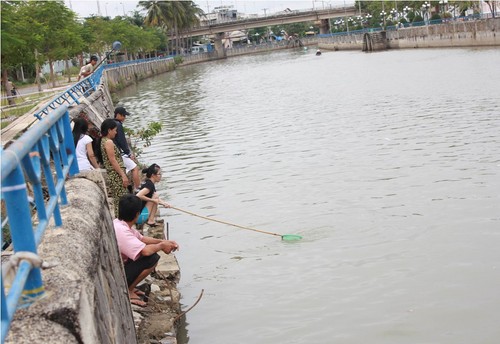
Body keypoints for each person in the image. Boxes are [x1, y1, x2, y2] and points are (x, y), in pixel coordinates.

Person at [113, 194, 179, 307]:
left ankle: (130, 287)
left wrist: (163, 242)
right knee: (152, 258)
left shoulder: (120, 224)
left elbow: (142, 239)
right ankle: (128, 291)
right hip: (116, 272)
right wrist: (162, 245)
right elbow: (145, 251)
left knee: (150, 255)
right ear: (137, 214)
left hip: (119, 267)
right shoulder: (122, 231)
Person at [98, 118, 129, 216]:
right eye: (115, 130)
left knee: (118, 200)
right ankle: (120, 220)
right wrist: (123, 175)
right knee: (121, 200)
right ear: (109, 130)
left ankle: (119, 220)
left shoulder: (104, 140)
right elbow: (113, 160)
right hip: (116, 175)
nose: (116, 132)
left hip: (114, 174)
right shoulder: (108, 142)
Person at [113, 106, 140, 190]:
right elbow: (122, 141)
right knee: (135, 168)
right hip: (117, 152)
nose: (125, 118)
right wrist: (128, 153)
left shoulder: (111, 122)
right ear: (118, 115)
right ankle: (138, 189)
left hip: (113, 151)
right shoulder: (118, 125)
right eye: (124, 115)